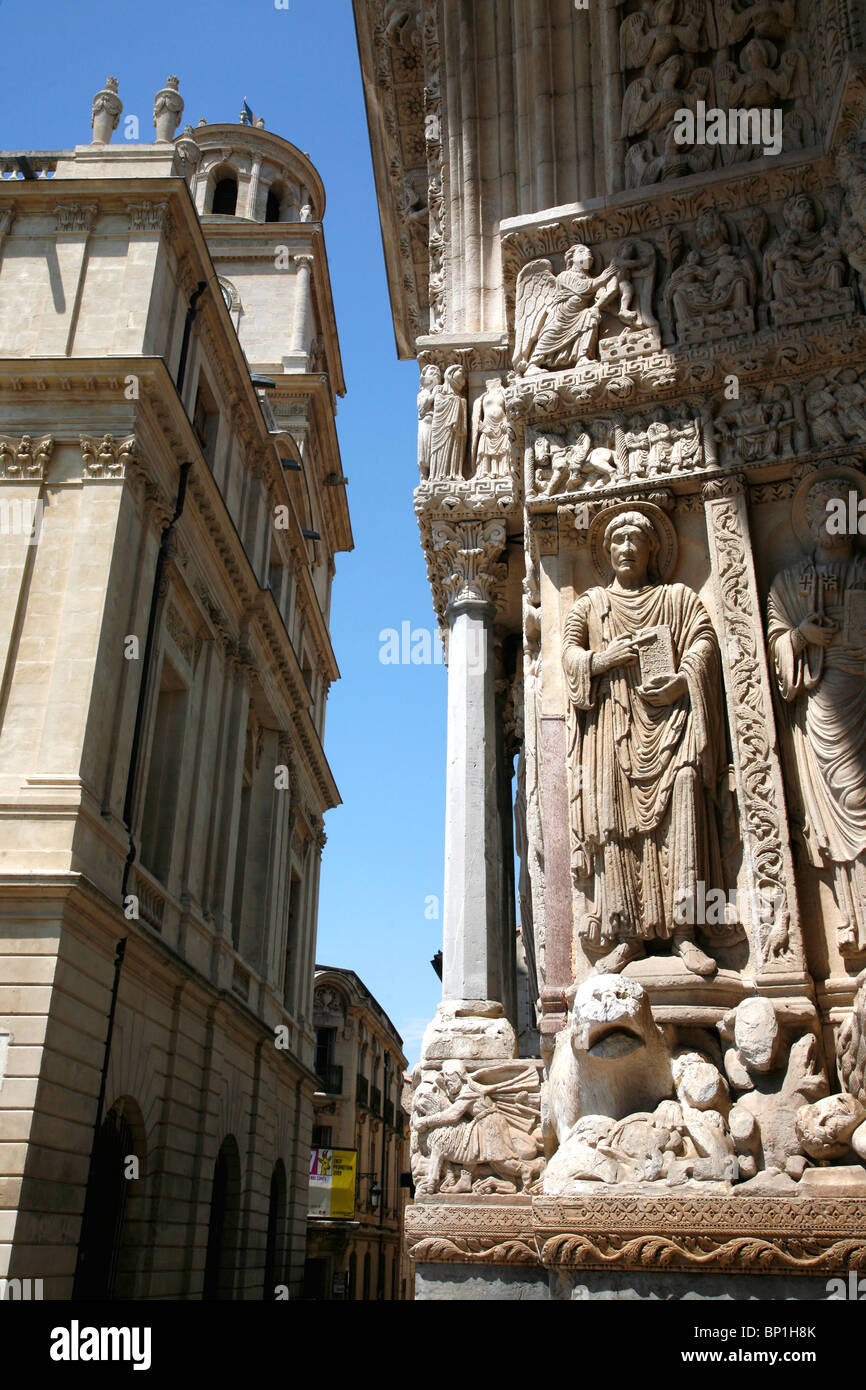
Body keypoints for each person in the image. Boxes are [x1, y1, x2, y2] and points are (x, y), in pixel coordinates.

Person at [563, 508, 724, 975]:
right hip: (613, 729)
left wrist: (681, 681)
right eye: (618, 541)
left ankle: (687, 931)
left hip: (673, 725)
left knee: (685, 805)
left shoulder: (675, 598)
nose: (627, 548)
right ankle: (627, 935)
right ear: (607, 551)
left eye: (637, 540)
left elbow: (704, 640)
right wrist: (601, 659)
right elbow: (569, 654)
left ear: (654, 549)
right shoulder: (591, 606)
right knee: (614, 822)